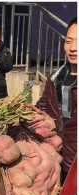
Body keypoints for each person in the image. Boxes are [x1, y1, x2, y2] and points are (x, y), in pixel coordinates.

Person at [36, 17, 77, 183]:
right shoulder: (55, 78)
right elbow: (42, 107)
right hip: (56, 158)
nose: (73, 48)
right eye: (68, 41)